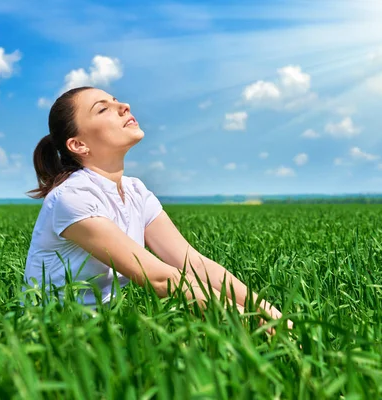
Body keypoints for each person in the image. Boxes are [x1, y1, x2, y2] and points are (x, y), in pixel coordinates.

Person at [23, 86, 292, 331]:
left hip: (105, 329)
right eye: (103, 108)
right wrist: (258, 325)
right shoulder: (72, 197)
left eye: (117, 101)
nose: (124, 106)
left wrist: (274, 315)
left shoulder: (135, 191)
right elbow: (158, 278)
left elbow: (193, 263)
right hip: (54, 334)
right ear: (78, 144)